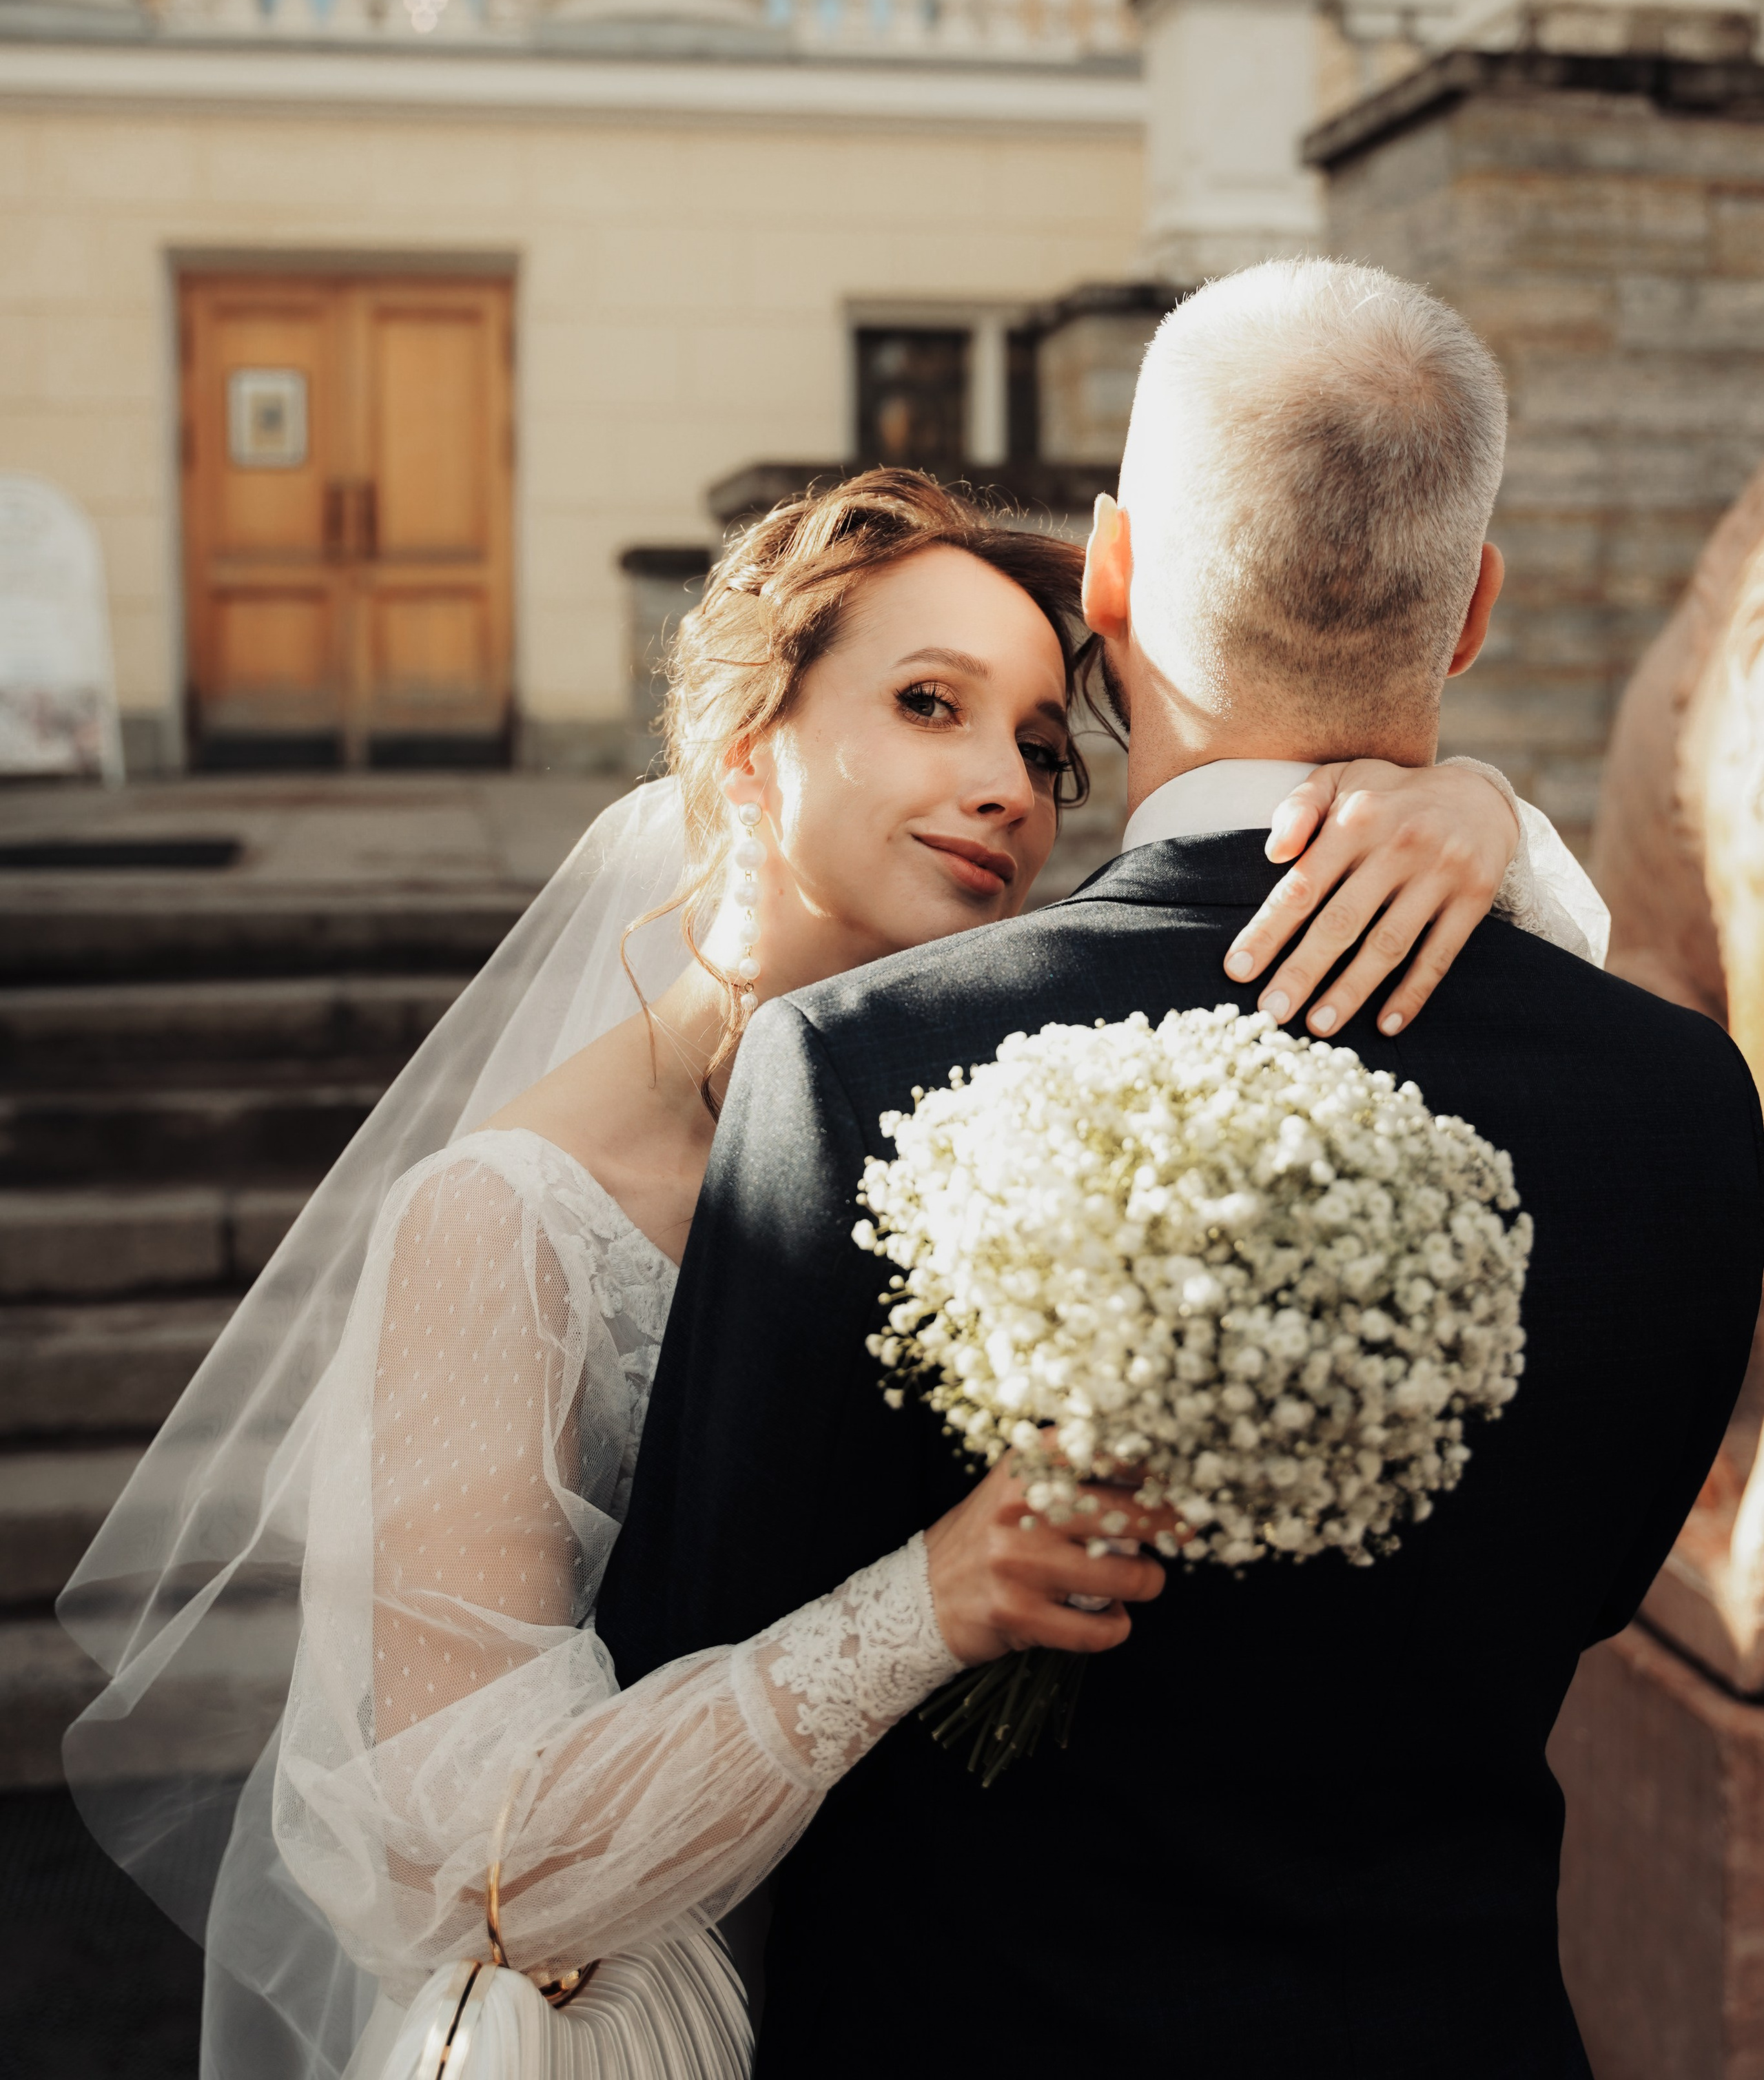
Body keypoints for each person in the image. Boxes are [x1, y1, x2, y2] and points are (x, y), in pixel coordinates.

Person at [61, 468, 1600, 2080]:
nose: (1004, 789)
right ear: (745, 746)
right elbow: (462, 1855)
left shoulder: (1035, 1104)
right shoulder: (506, 1219)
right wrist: (919, 1609)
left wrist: (1485, 820)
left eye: (1039, 748)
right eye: (929, 704)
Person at [597, 272, 1764, 2080]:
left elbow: (683, 1657)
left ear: (1112, 577)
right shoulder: (1683, 1102)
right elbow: (1609, 1578)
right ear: (1475, 612)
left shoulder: (855, 1071)